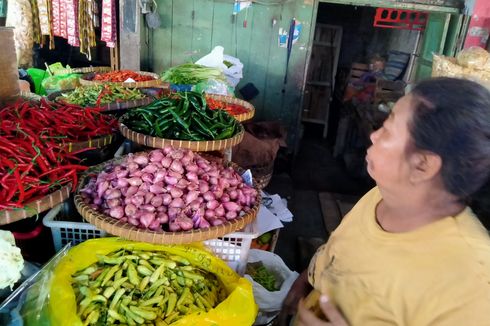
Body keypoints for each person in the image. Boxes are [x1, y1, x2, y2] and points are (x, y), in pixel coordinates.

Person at [278, 77, 490, 326]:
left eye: (388, 130)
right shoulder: (383, 195)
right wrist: (306, 279)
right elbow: (338, 252)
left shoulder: (472, 282)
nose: (374, 135)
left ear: (423, 165)